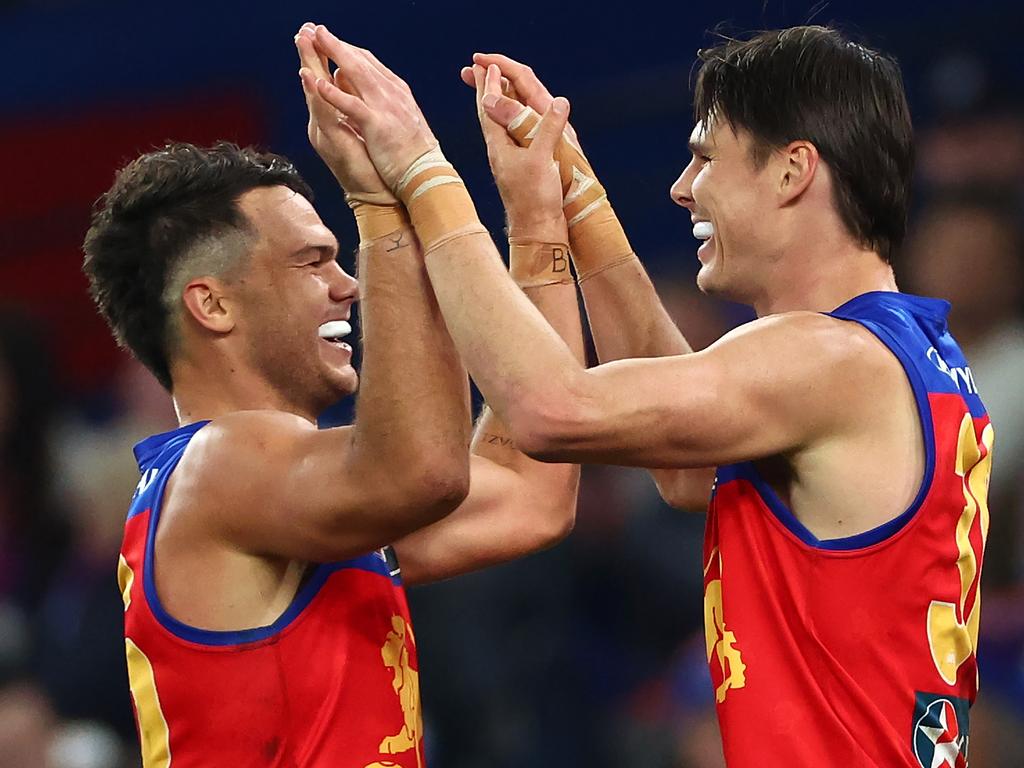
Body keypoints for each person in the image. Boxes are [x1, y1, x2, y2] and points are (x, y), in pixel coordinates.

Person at [311, 24, 993, 767]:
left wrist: (421, 171)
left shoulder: (827, 358)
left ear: (794, 169)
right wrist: (570, 202)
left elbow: (552, 408)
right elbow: (682, 467)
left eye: (704, 157)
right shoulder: (910, 356)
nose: (680, 187)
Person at [81, 23, 583, 768]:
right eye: (314, 261)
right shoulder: (216, 466)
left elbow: (530, 493)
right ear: (211, 305)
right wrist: (390, 195)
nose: (348, 285)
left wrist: (537, 220)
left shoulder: (301, 500)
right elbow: (422, 470)